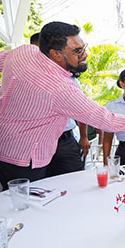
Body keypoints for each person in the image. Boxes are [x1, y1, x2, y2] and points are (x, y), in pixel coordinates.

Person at [0, 22, 125, 188]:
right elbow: (108, 121)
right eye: (77, 51)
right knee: (31, 204)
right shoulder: (59, 88)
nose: (85, 55)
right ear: (55, 54)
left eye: (83, 47)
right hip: (20, 154)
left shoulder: (23, 52)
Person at [30, 32, 91, 177]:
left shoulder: (68, 78)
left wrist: (83, 136)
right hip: (37, 144)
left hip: (65, 142)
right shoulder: (26, 78)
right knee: (42, 187)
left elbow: (83, 110)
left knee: (75, 182)